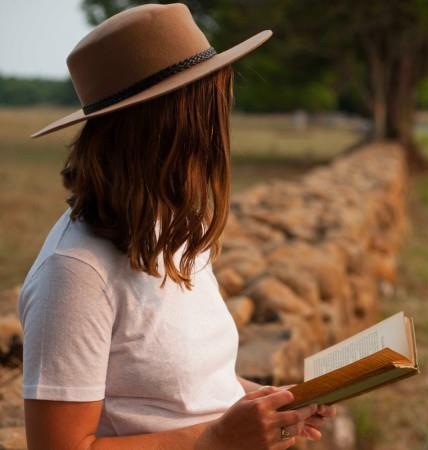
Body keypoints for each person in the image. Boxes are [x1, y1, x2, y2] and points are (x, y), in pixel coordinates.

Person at [18, 3, 336, 449]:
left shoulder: (173, 226)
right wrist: (216, 439)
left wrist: (265, 405)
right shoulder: (75, 274)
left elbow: (180, 392)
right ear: (174, 126)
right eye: (211, 107)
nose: (221, 125)